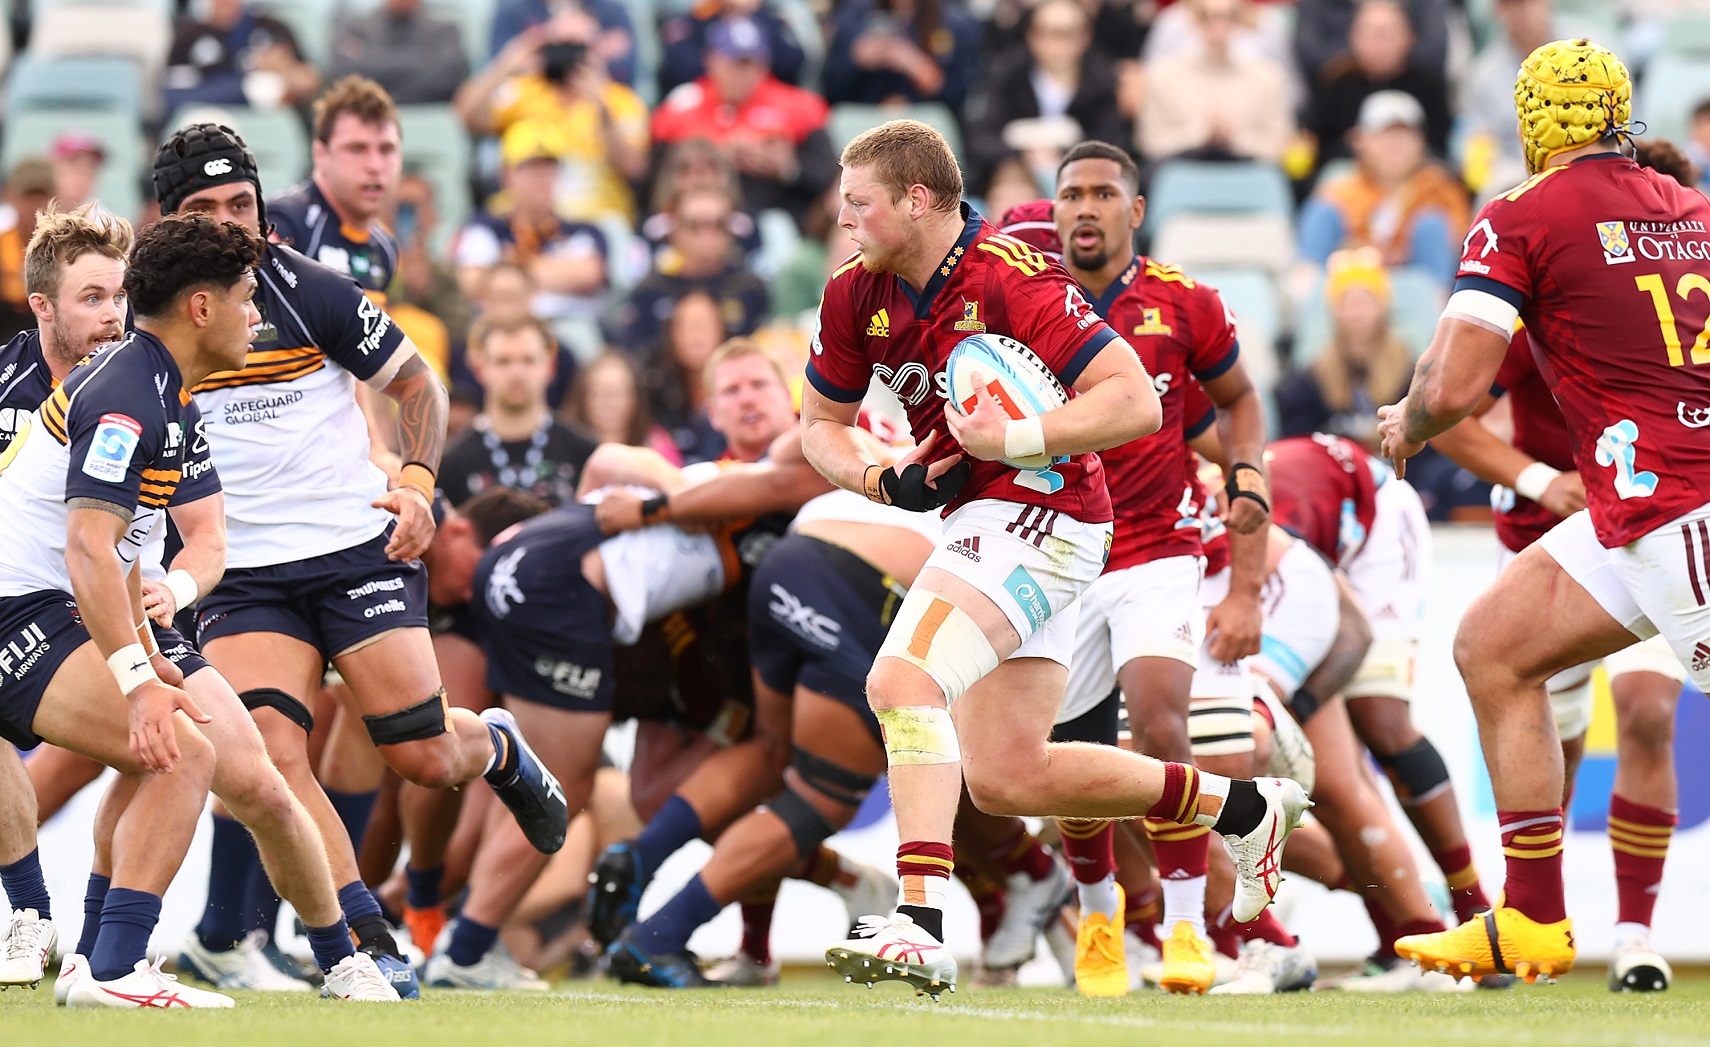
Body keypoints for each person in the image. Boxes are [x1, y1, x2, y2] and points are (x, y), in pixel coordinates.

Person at [801, 119, 1309, 995]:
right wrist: (885, 481)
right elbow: (818, 427)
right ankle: (1242, 806)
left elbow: (1133, 402)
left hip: (1052, 508)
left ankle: (921, 923)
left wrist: (1019, 435)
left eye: (859, 204)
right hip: (982, 514)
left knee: (902, 683)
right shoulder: (855, 292)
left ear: (918, 201)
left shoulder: (1012, 276)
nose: (842, 220)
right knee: (1006, 776)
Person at [152, 122, 569, 984]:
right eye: (206, 209)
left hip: (355, 552)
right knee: (268, 753)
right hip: (239, 572)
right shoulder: (144, 320)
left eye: (243, 204)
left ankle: (492, 746)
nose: (232, 225)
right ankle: (367, 941)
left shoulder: (312, 290)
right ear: (169, 224)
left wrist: (416, 483)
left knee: (421, 756)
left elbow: (419, 384)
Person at [1377, 39, 1710, 984]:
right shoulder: (1692, 207)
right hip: (1637, 505)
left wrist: (1411, 416)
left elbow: (1458, 379)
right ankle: (1530, 918)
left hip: (1678, 506)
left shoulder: (1520, 212)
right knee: (1493, 644)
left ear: (1532, 122)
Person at [1040, 140, 1272, 997]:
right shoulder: (1026, 298)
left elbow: (1241, 398)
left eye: (1105, 193)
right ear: (1053, 208)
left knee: (1163, 729)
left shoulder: (1185, 302)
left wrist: (1245, 472)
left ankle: (1183, 929)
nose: (1087, 208)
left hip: (1158, 545)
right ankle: (1099, 917)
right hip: (1058, 547)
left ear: (1137, 210)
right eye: (1072, 194)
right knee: (1070, 748)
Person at [605, 479, 934, 987]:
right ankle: (656, 939)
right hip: (863, 589)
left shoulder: (853, 450)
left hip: (786, 564)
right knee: (821, 797)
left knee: (769, 749)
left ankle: (639, 855)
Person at [455, 8, 649, 224]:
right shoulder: (524, 91)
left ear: (596, 48)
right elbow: (466, 116)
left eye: (577, 46)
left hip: (596, 217)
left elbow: (636, 168)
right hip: (521, 217)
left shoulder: (620, 100)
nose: (568, 56)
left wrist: (603, 109)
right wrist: (508, 63)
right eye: (560, 45)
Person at [651, 16, 838, 226]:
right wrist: (717, 158)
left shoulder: (799, 106)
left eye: (754, 64)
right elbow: (653, 177)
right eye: (736, 63)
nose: (746, 73)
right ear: (711, 60)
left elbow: (830, 177)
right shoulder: (683, 104)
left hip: (777, 216)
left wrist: (788, 167)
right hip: (697, 222)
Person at [453, 120, 611, 329]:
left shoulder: (584, 231)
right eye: (529, 168)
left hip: (564, 328)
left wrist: (511, 265)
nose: (540, 178)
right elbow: (471, 282)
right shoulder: (484, 226)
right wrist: (553, 272)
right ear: (506, 175)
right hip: (498, 326)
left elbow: (588, 275)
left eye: (548, 168)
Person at [1299, 91, 1469, 284]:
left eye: (1405, 135)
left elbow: (1462, 245)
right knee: (1323, 212)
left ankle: (1436, 304)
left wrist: (1398, 252)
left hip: (1416, 289)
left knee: (1433, 226)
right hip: (1350, 291)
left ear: (1421, 142)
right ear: (1360, 140)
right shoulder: (1340, 188)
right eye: (1385, 135)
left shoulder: (1441, 188)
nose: (1395, 145)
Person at [963, 0, 1131, 194]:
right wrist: (1024, 155)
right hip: (1014, 174)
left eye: (1067, 34)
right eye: (1050, 33)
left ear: (1086, 36)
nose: (1058, 44)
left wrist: (1063, 154)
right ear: (1032, 36)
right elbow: (980, 136)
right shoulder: (1007, 76)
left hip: (1079, 176)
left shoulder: (1102, 80)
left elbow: (1111, 140)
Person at [439, 317, 598, 506]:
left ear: (551, 366)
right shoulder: (451, 464)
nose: (517, 373)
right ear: (479, 369)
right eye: (503, 361)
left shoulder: (586, 454)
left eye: (528, 360)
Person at [269, 77, 403, 299]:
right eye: (357, 149)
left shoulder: (385, 249)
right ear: (320, 155)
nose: (375, 166)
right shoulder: (285, 223)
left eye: (387, 150)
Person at [1277, 248, 1414, 446]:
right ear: (1335, 311)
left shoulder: (1408, 373)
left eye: (1366, 301)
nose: (1357, 313)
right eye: (1348, 303)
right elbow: (1294, 441)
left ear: (1382, 308)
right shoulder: (1311, 380)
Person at [617, 188, 769, 364]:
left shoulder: (750, 288)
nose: (707, 234)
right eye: (695, 225)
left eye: (718, 224)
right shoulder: (650, 291)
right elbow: (634, 356)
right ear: (675, 231)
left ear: (730, 232)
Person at [1138, 0, 1295, 164]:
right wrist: (1201, 133)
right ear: (1194, 20)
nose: (1218, 26)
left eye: (1228, 17)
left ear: (1240, 20)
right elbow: (1150, 144)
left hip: (1248, 175)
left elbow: (1281, 146)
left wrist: (1236, 137)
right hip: (1181, 173)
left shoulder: (1267, 79)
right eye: (1208, 17)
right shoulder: (1162, 77)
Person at [1305, 0, 1451, 169]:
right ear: (1353, 36)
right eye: (1370, 34)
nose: (1378, 45)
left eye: (1386, 34)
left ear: (1409, 37)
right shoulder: (1336, 82)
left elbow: (1441, 146)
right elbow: (1318, 148)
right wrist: (1353, 148)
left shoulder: (1428, 84)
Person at [822, 0, 982, 117]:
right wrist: (856, 60)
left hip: (926, 122)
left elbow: (962, 96)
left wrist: (917, 65)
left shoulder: (953, 23)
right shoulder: (855, 17)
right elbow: (830, 90)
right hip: (865, 119)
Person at [163, 0, 320, 112]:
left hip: (267, 119)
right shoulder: (189, 37)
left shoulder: (273, 29)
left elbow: (310, 79)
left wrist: (283, 70)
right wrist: (246, 88)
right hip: (209, 122)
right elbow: (173, 96)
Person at [328, 0, 470, 106]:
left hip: (429, 121)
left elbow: (448, 77)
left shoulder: (446, 31)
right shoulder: (356, 28)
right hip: (368, 118)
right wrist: (425, 60)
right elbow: (342, 72)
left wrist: (370, 59)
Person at [560, 351, 680, 461]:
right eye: (599, 393)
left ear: (635, 397)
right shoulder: (564, 449)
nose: (609, 402)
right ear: (583, 397)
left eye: (618, 392)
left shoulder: (657, 446)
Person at [0, 159, 55, 342]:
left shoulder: (64, 250)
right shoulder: (3, 245)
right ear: (9, 197)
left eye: (41, 196)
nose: (35, 205)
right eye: (27, 196)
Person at [49, 133, 106, 212]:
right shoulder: (32, 208)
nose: (83, 181)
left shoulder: (100, 217)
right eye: (78, 171)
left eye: (90, 173)